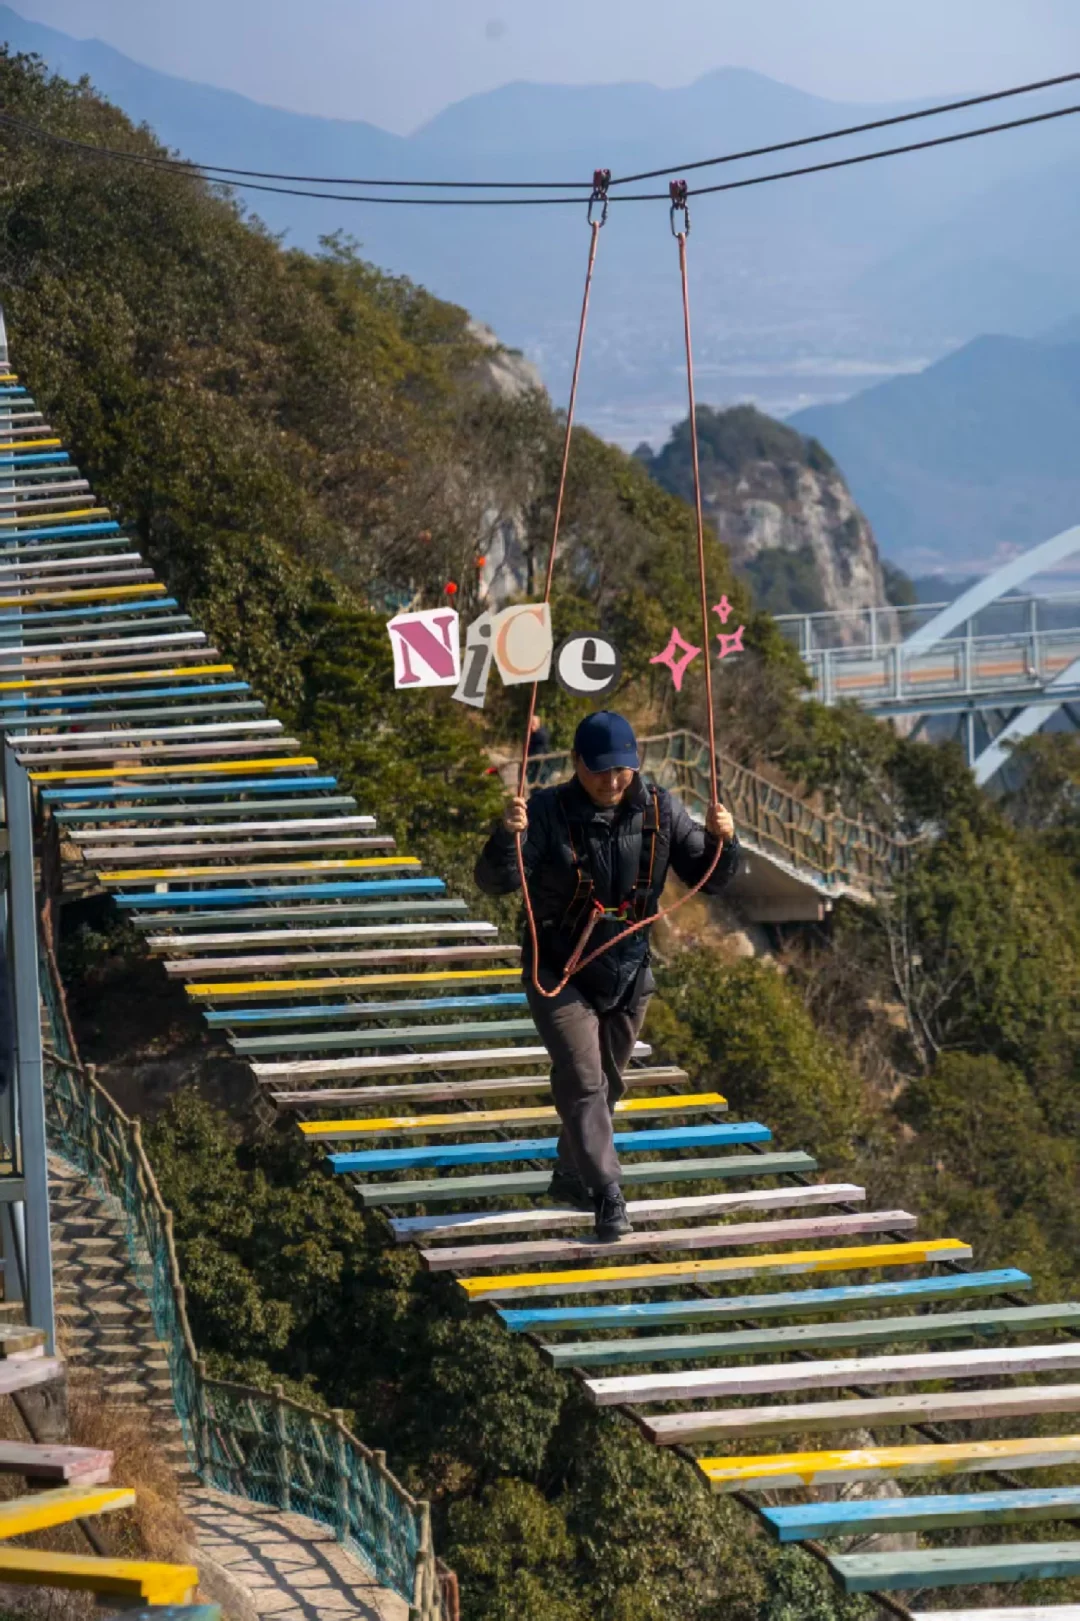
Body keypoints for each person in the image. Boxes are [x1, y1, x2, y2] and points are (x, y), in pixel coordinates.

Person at [475, 711, 739, 1241]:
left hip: (627, 971)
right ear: (577, 763)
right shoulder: (546, 811)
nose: (612, 781)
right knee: (583, 1078)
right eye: (600, 770)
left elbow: (709, 878)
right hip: (559, 970)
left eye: (622, 770)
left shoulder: (661, 809)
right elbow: (495, 881)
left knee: (609, 1083)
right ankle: (607, 1193)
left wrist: (723, 842)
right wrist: (507, 837)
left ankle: (571, 1173)